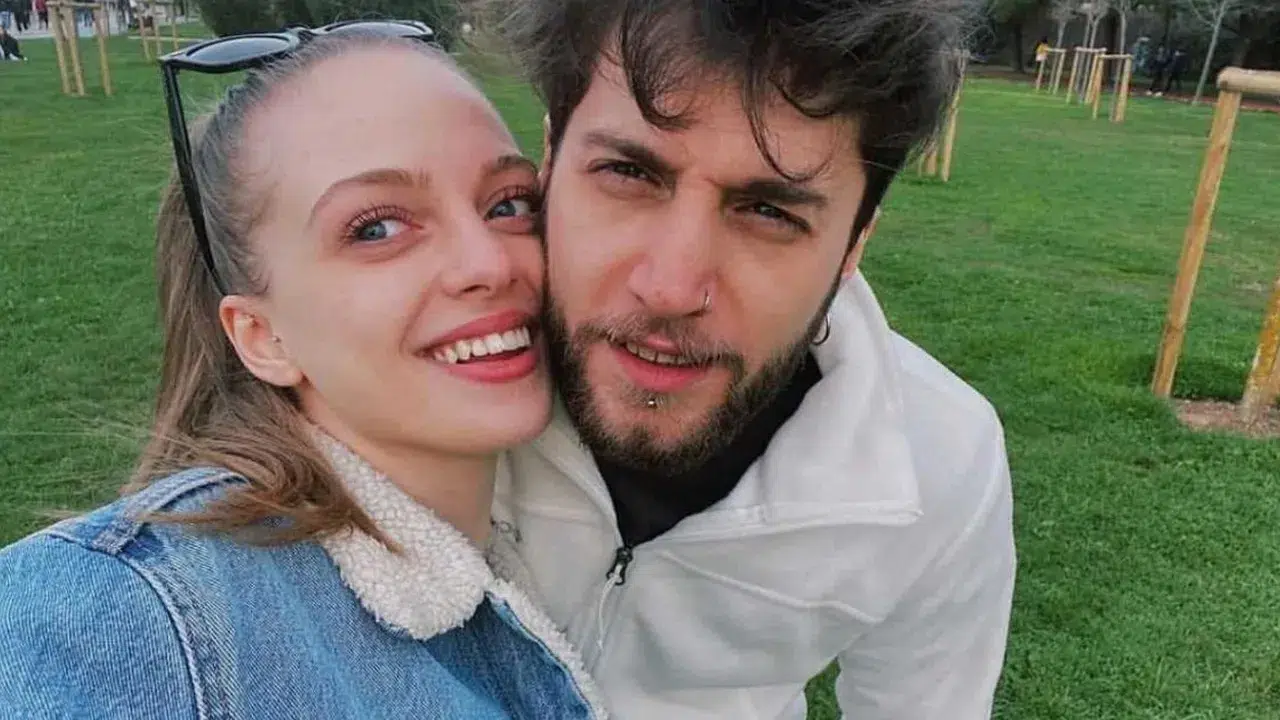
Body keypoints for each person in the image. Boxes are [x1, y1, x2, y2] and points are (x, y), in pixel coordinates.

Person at [0, 27, 607, 719]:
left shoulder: (582, 519)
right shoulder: (138, 615)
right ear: (262, 337)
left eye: (508, 204)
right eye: (377, 228)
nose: (490, 263)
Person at [490, 1, 1016, 717]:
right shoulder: (417, 369)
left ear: (854, 245)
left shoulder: (940, 462)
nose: (672, 288)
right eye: (627, 172)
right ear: (550, 160)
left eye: (769, 212)